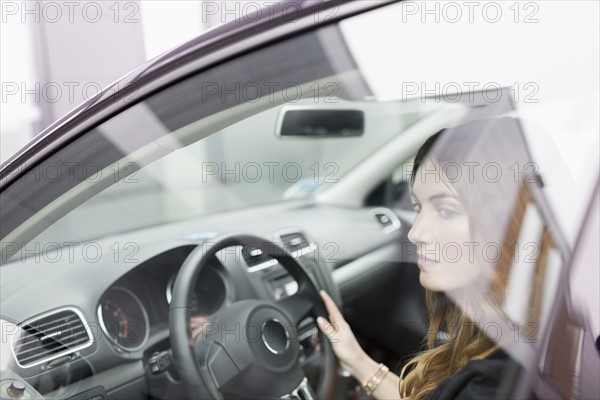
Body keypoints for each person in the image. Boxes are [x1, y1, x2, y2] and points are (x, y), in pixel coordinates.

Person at [317, 117, 542, 399]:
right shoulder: (520, 336)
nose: (416, 233)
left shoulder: (492, 384)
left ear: (509, 223)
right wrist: (358, 361)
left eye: (446, 211)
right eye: (417, 206)